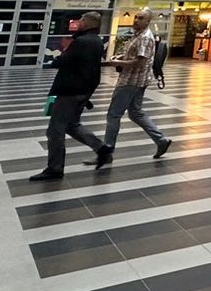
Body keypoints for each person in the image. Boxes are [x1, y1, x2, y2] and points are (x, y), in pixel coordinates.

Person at [30, 11, 107, 181]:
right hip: (82, 90)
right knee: (72, 125)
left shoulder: (82, 41)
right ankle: (102, 148)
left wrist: (59, 57)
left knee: (55, 130)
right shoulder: (97, 41)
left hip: (70, 91)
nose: (79, 22)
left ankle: (55, 168)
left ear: (89, 23)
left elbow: (63, 61)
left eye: (82, 20)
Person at [95, 11, 171, 167]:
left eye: (141, 18)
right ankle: (161, 140)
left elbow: (140, 62)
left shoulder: (144, 38)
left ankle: (107, 152)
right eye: (136, 17)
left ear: (148, 21)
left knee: (114, 114)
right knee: (136, 112)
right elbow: (133, 56)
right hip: (138, 80)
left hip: (131, 81)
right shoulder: (138, 35)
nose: (136, 20)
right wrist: (120, 58)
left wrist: (118, 63)